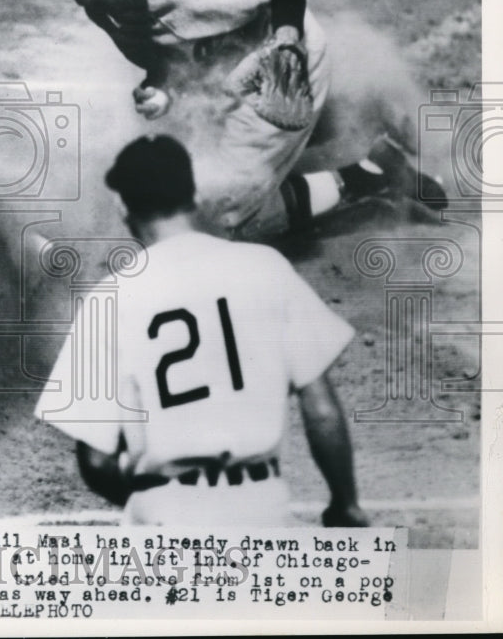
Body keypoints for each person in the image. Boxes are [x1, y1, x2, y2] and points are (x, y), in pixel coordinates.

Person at [47, 0, 446, 239]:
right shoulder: (101, 1)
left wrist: (286, 46)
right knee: (169, 185)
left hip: (281, 68)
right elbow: (166, 50)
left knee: (216, 223)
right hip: (225, 70)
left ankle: (371, 173)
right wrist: (161, 86)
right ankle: (339, 130)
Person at [35, 134, 369, 527]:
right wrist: (345, 503)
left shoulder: (109, 298)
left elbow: (95, 463)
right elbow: (322, 407)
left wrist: (155, 501)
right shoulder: (266, 267)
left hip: (166, 526)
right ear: (193, 195)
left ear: (123, 205)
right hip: (262, 511)